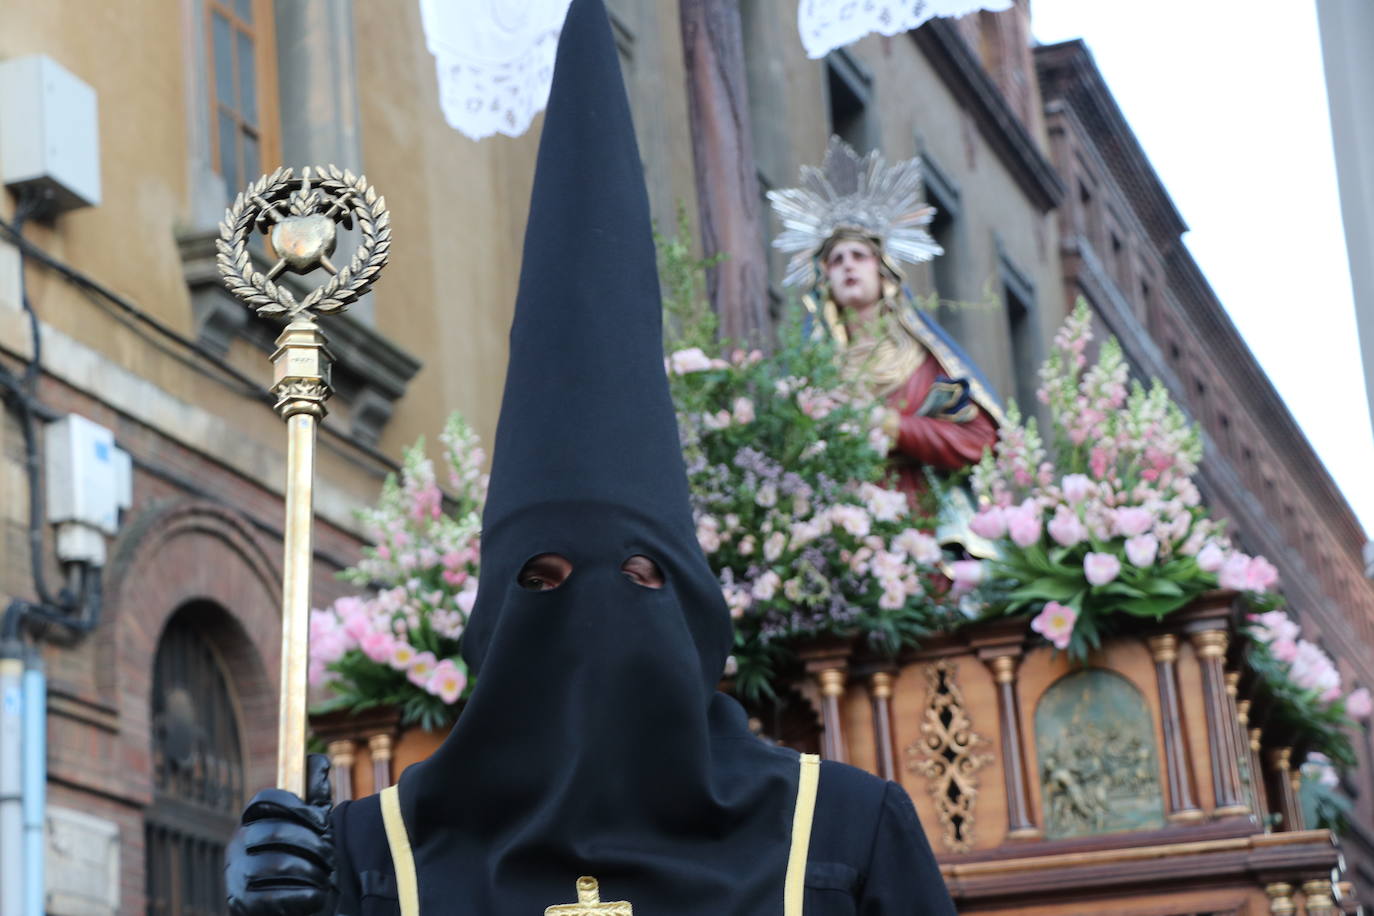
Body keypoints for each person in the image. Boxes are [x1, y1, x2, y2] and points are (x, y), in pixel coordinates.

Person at [225, 1, 957, 913]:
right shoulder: (374, 860)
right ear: (493, 612)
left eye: (642, 575)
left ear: (693, 605)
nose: (592, 613)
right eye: (544, 578)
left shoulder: (844, 836)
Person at [769, 141, 1001, 553]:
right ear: (825, 279)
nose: (847, 266)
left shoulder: (924, 362)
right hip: (842, 535)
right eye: (836, 260)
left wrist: (893, 426)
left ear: (882, 270)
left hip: (925, 523)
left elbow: (980, 441)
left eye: (858, 255)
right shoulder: (817, 370)